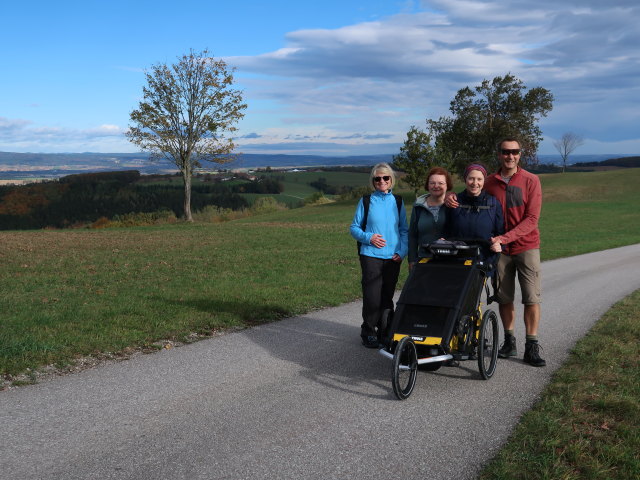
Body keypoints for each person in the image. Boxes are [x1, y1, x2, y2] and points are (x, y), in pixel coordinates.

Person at [446, 138, 545, 367]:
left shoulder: (531, 180)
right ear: (499, 154)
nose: (510, 156)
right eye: (505, 152)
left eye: (514, 152)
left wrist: (504, 238)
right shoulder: (489, 181)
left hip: (526, 246)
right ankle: (509, 342)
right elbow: (472, 192)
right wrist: (451, 197)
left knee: (531, 297)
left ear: (520, 154)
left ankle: (532, 345)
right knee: (504, 297)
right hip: (498, 250)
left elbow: (532, 219)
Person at [350, 163, 408, 348]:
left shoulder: (398, 202)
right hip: (370, 255)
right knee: (372, 296)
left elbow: (404, 230)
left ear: (391, 180)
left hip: (393, 257)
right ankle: (368, 331)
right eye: (377, 178)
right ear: (373, 181)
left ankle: (385, 331)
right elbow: (354, 228)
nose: (381, 181)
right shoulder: (366, 201)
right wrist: (369, 237)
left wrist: (402, 252)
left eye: (385, 178)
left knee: (387, 296)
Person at [443, 163, 504, 265]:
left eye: (479, 179)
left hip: (484, 261)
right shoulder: (454, 202)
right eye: (471, 178)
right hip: (457, 261)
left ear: (484, 181)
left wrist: (499, 245)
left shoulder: (493, 203)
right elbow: (446, 230)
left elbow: (500, 232)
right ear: (465, 179)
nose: (475, 183)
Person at [408, 167, 453, 268]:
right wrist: (411, 259)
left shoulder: (453, 206)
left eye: (441, 183)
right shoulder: (418, 206)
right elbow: (412, 235)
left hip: (450, 260)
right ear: (427, 185)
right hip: (424, 259)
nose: (436, 186)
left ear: (447, 185)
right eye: (432, 183)